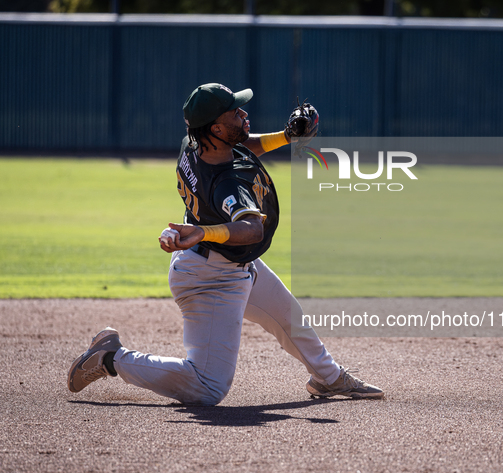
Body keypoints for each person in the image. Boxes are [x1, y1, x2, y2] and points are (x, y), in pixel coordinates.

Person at [68, 83, 383, 405]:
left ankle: (328, 379)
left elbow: (247, 147)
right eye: (235, 112)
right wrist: (205, 232)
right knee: (207, 387)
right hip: (211, 277)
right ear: (216, 127)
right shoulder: (227, 183)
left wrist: (287, 137)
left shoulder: (195, 144)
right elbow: (251, 229)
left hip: (224, 260)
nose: (244, 113)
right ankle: (110, 358)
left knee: (291, 320)